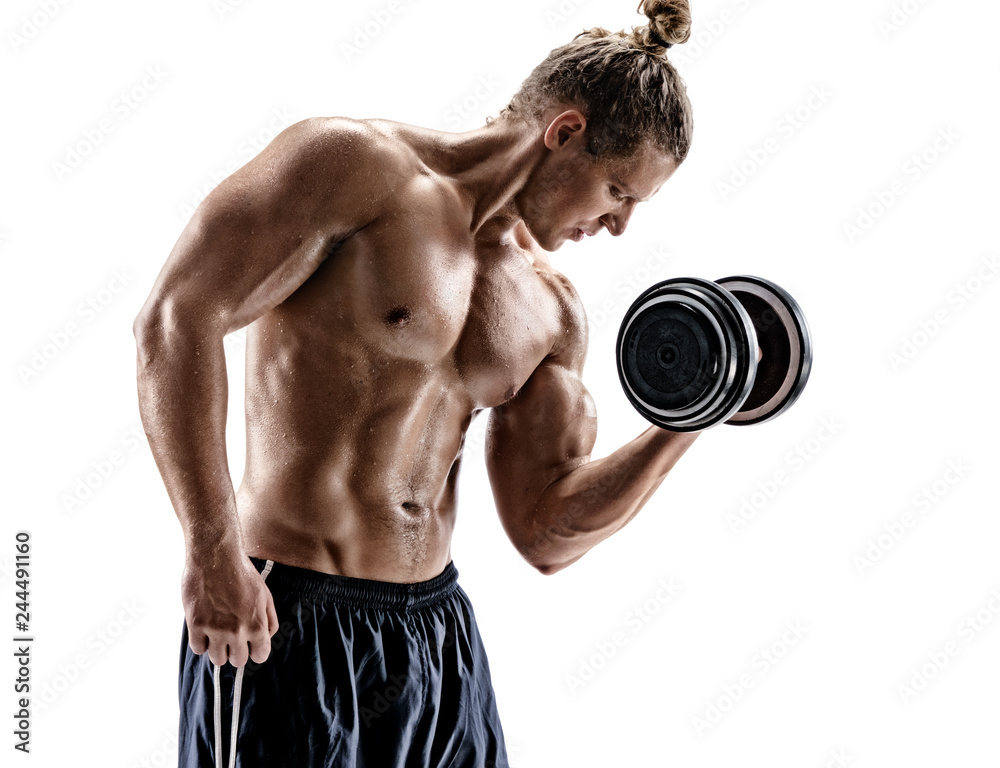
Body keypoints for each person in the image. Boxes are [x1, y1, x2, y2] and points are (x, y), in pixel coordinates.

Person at [132, 1, 696, 766]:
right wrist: (212, 553)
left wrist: (690, 420)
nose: (620, 225)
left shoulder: (552, 310)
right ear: (566, 132)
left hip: (437, 639)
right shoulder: (353, 167)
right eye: (620, 192)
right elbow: (176, 320)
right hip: (287, 615)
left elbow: (545, 533)